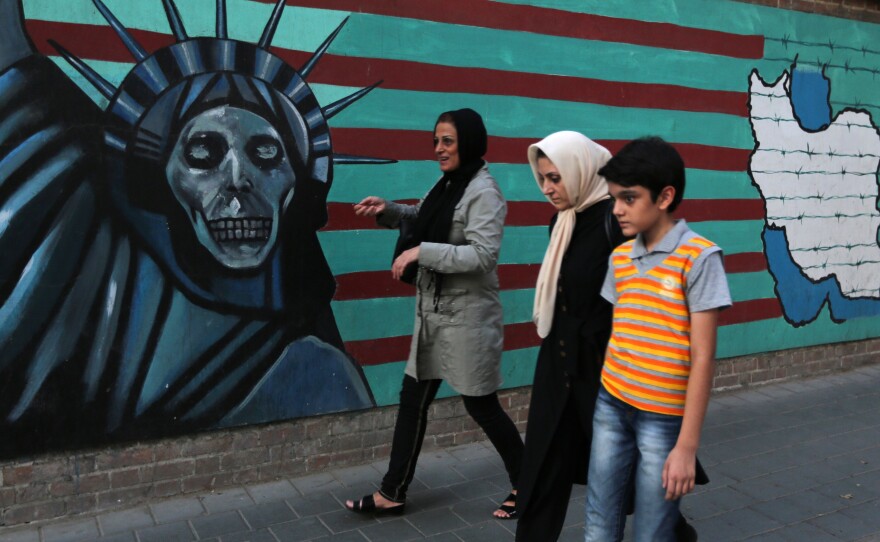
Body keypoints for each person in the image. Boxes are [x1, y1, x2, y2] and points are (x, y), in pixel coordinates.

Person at [345, 108, 524, 516]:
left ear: (469, 142)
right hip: (432, 312)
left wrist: (420, 251)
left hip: (468, 316)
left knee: (481, 406)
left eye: (447, 141)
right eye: (436, 141)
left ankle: (528, 483)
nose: (439, 149)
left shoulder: (484, 193)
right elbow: (422, 216)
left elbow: (482, 255)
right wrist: (388, 210)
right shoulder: (447, 185)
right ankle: (392, 492)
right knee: (413, 400)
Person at [584, 137, 732, 542]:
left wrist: (686, 447)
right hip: (611, 404)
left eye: (629, 198)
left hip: (663, 420)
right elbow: (624, 332)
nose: (617, 209)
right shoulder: (619, 258)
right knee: (598, 523)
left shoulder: (700, 258)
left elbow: (703, 358)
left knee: (653, 531)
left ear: (665, 196)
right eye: (614, 198)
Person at [512, 131, 621, 537]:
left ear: (580, 170)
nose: (547, 189)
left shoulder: (615, 222)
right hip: (558, 368)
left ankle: (674, 531)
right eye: (542, 178)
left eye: (555, 178)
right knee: (543, 470)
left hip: (601, 372)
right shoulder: (561, 221)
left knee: (629, 475)